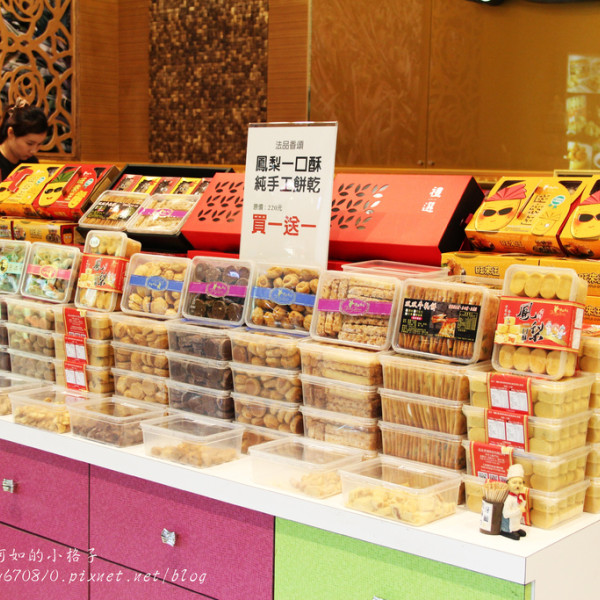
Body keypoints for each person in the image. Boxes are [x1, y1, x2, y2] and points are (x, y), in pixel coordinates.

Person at [0, 99, 49, 181]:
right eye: (30, 143)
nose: (34, 151)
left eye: (39, 144)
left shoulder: (31, 162)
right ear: (11, 133)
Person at [500, 463, 528, 540]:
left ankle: (516, 529)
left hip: (516, 521)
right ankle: (509, 531)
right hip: (509, 524)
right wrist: (519, 510)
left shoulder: (520, 496)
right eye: (514, 482)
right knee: (512, 523)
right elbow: (506, 514)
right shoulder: (509, 499)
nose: (517, 485)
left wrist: (523, 503)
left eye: (520, 483)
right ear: (508, 484)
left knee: (516, 522)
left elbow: (522, 505)